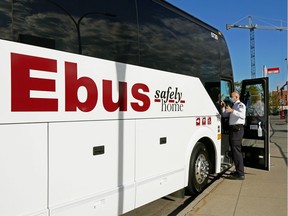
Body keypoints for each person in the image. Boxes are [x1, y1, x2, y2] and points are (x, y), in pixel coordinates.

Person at [221, 91, 246, 180]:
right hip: (233, 130)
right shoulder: (234, 106)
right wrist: (224, 107)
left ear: (236, 97)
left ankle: (240, 174)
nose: (231, 98)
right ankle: (238, 171)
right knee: (234, 151)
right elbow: (224, 115)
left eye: (232, 97)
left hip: (237, 129)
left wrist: (233, 111)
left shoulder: (240, 105)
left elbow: (242, 115)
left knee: (236, 151)